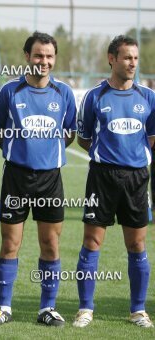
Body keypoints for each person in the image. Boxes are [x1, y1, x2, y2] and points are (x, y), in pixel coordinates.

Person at [0, 32, 76, 327]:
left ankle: (47, 308)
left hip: (51, 179)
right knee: (10, 243)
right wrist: (20, 151)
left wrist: (47, 153)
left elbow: (70, 132)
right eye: (38, 55)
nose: (44, 61)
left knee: (50, 244)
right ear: (27, 56)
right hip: (16, 177)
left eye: (49, 56)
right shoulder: (10, 92)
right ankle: (3, 307)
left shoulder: (64, 94)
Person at [73, 35, 155, 328]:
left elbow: (151, 138)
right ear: (112, 59)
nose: (132, 63)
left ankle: (137, 311)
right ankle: (85, 309)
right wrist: (106, 154)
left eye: (135, 58)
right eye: (127, 57)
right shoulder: (95, 96)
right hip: (102, 177)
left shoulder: (148, 97)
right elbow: (83, 138)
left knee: (137, 244)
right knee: (92, 242)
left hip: (136, 178)